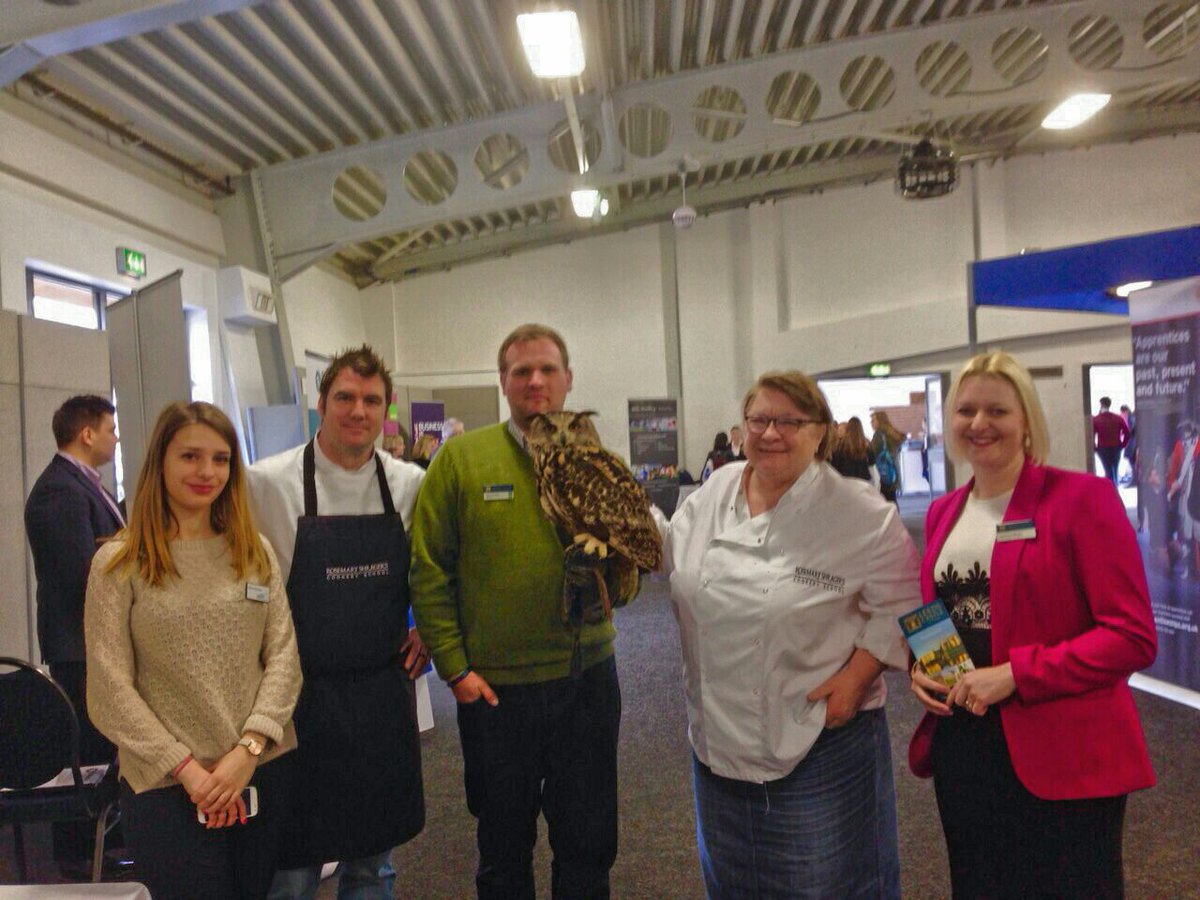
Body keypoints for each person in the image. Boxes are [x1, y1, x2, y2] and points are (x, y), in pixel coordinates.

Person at [658, 371, 919, 898]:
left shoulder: (860, 513)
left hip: (819, 742)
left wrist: (857, 678)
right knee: (732, 885)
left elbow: (903, 605)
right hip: (716, 744)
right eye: (759, 419)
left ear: (820, 431)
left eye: (789, 421)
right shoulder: (715, 491)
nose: (770, 433)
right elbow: (672, 555)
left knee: (826, 887)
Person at [909, 351, 1157, 900]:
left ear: (1026, 421)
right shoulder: (943, 510)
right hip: (966, 741)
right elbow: (944, 613)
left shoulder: (1082, 500)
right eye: (966, 410)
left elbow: (1132, 636)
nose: (979, 424)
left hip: (1064, 745)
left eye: (997, 410)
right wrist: (921, 668)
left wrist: (1017, 675)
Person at [411, 323, 633, 899]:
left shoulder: (596, 458)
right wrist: (454, 669)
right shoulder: (461, 459)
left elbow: (630, 569)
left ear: (568, 379)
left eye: (547, 369)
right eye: (521, 371)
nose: (535, 381)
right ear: (504, 382)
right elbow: (429, 569)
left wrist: (613, 571)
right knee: (503, 847)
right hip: (495, 691)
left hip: (585, 678)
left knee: (587, 844)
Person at [84, 401, 302, 900]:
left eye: (221, 459)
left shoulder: (253, 551)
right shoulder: (119, 563)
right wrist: (188, 770)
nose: (207, 472)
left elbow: (284, 658)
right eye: (190, 457)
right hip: (165, 786)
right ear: (160, 461)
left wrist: (247, 751)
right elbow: (109, 688)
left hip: (258, 770)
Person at [246, 345, 428, 900]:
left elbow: (432, 571)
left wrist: (428, 629)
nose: (358, 411)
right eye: (345, 397)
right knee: (292, 865)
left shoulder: (408, 484)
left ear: (386, 410)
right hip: (295, 701)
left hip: (380, 696)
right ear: (321, 403)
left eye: (371, 400)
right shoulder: (266, 482)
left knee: (373, 862)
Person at [24, 394, 125, 876]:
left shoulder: (85, 484)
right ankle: (83, 860)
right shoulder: (59, 491)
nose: (115, 437)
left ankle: (103, 848)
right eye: (110, 428)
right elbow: (84, 574)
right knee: (88, 753)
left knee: (106, 748)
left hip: (97, 644)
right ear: (87, 434)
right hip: (79, 649)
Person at [1092, 395, 1129, 487]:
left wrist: (1095, 447)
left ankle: (1111, 489)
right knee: (1115, 468)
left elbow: (1092, 434)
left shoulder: (1096, 420)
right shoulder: (1118, 418)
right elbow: (1127, 432)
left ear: (1101, 405)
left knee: (1107, 469)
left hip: (1103, 448)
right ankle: (1115, 487)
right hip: (1116, 447)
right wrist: (1123, 445)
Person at [869, 410, 904, 502]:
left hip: (883, 472)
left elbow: (873, 453)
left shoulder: (878, 435)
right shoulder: (891, 433)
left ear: (880, 421)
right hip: (892, 472)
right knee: (892, 499)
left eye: (873, 420)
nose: (871, 423)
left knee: (885, 500)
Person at [829, 415, 875, 481]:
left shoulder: (842, 444)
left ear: (848, 428)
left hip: (847, 479)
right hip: (863, 479)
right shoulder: (866, 443)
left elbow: (835, 464)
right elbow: (872, 461)